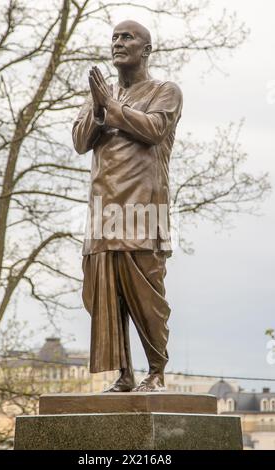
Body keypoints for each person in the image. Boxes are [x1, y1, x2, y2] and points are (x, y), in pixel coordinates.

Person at [72, 20, 183, 392]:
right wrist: (100, 107)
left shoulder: (165, 91)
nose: (118, 43)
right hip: (104, 213)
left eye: (127, 37)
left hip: (143, 210)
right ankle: (123, 374)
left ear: (146, 49)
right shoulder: (98, 97)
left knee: (147, 296)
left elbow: (153, 129)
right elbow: (80, 140)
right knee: (105, 295)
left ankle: (156, 371)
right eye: (115, 38)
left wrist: (110, 105)